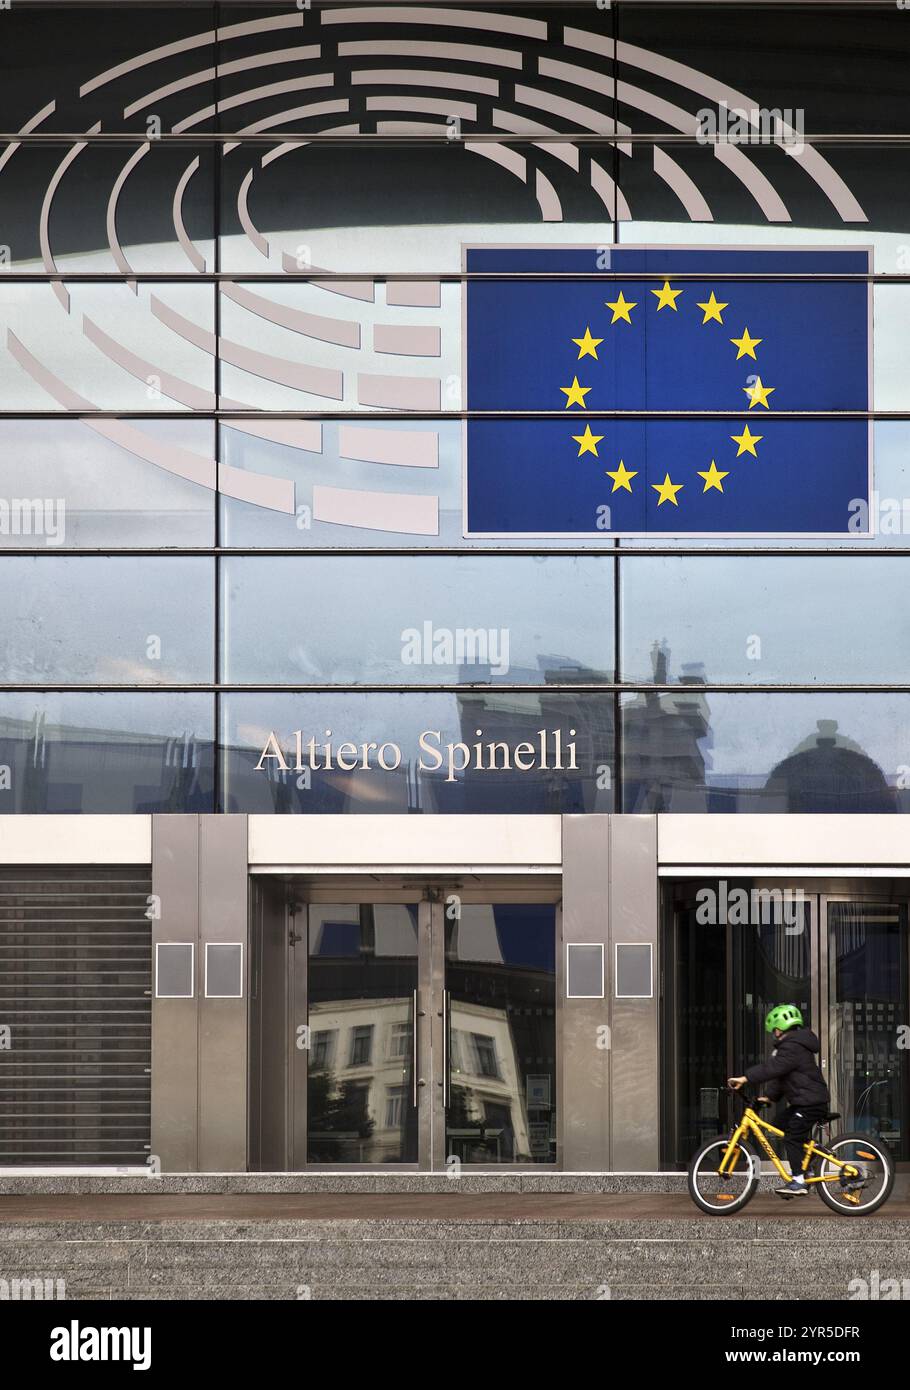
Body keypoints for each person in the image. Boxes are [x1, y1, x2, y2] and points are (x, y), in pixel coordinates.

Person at [727, 1003, 830, 1199]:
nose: (773, 1033)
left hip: (810, 1103)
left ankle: (798, 1180)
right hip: (806, 1101)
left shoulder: (792, 1046)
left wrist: (745, 1078)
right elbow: (782, 1076)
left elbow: (772, 1069)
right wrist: (769, 1096)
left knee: (791, 1136)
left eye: (774, 1029)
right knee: (779, 1124)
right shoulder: (794, 1046)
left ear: (780, 1028)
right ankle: (809, 1156)